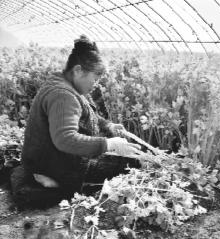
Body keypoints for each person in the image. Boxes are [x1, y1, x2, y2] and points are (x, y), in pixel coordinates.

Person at [10, 35, 143, 208]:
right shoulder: (63, 95)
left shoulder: (66, 84)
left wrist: (108, 126)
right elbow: (65, 139)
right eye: (94, 79)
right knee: (128, 164)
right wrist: (109, 144)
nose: (95, 84)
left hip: (53, 158)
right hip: (56, 163)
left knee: (126, 160)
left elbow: (88, 116)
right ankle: (46, 183)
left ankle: (40, 177)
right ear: (78, 70)